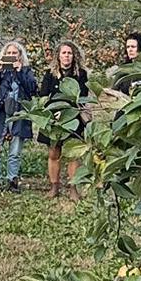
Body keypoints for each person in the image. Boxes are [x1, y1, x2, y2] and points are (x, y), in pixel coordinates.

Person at [0, 40, 36, 193]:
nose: (12, 56)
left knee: (15, 151)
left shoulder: (26, 71)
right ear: (4, 55)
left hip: (19, 114)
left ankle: (12, 180)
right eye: (9, 53)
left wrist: (20, 72)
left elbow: (32, 89)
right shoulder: (1, 71)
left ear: (20, 56)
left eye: (15, 53)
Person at [39, 40, 90, 198]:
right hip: (53, 120)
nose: (66, 56)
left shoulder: (80, 74)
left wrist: (67, 111)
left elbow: (81, 97)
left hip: (73, 119)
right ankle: (54, 187)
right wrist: (52, 113)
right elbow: (43, 96)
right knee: (54, 153)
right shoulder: (50, 74)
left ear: (74, 56)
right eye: (64, 53)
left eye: (69, 53)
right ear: (58, 56)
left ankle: (73, 188)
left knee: (72, 154)